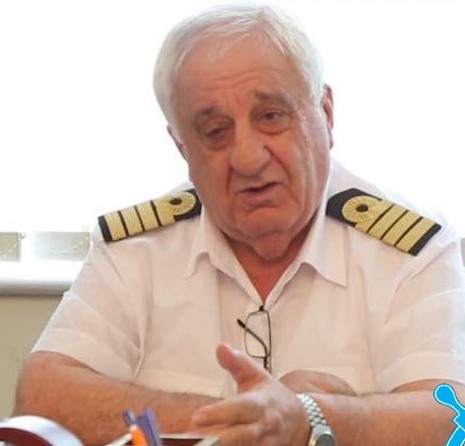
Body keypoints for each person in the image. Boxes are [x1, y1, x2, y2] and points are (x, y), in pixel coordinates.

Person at [13, 4, 465, 446]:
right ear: (182, 147)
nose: (248, 158)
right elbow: (42, 399)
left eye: (271, 117)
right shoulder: (136, 248)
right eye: (215, 131)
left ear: (326, 113)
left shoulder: (412, 250)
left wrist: (307, 417)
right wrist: (260, 421)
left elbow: (451, 418)